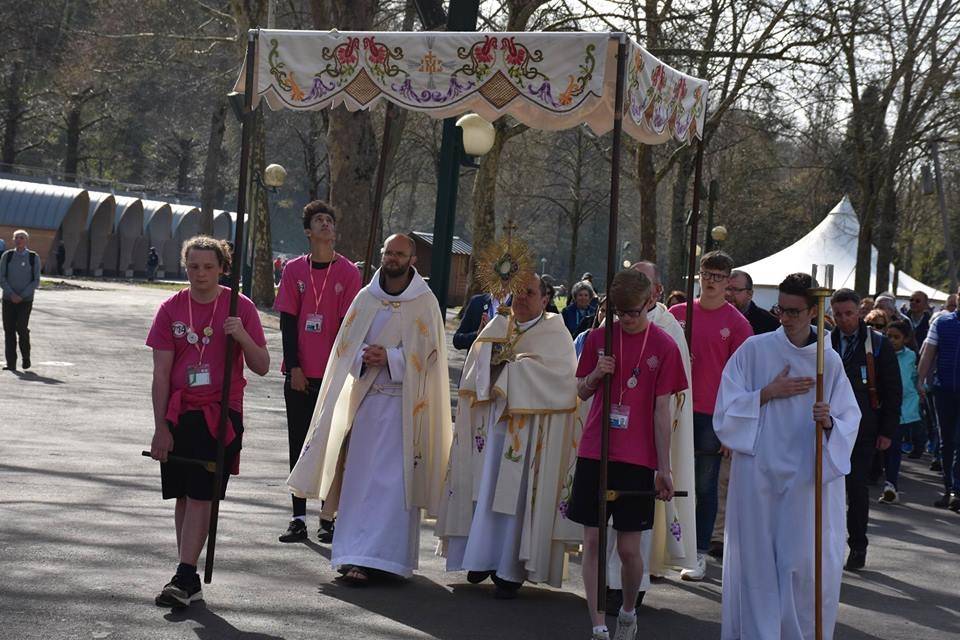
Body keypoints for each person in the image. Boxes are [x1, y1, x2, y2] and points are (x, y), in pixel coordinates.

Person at [287, 234, 452, 585]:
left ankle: (385, 560)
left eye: (400, 253)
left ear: (412, 260)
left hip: (403, 410)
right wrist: (364, 356)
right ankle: (352, 555)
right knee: (359, 481)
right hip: (366, 401)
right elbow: (344, 349)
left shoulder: (425, 302)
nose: (393, 258)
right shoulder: (366, 298)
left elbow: (432, 361)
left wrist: (391, 358)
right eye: (388, 252)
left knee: (392, 486)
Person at [714, 272, 860, 640]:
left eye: (795, 311)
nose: (786, 318)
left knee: (802, 564)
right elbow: (725, 411)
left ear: (814, 311)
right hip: (758, 473)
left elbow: (849, 421)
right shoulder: (755, 350)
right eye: (782, 309)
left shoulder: (829, 362)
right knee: (758, 563)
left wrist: (828, 424)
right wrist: (766, 393)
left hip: (806, 477)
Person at [438, 272, 580, 599]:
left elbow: (560, 380)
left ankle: (508, 568)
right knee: (482, 489)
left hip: (528, 434)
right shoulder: (498, 325)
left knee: (514, 500)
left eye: (530, 293)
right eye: (517, 292)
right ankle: (477, 557)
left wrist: (514, 369)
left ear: (546, 299)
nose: (522, 298)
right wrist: (491, 357)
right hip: (490, 427)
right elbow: (474, 370)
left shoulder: (555, 333)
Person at [147, 235, 269, 608]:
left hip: (220, 413)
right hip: (179, 411)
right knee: (184, 496)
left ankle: (184, 575)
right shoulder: (170, 308)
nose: (200, 274)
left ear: (222, 268)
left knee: (202, 494)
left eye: (208, 267)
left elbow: (262, 365)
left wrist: (242, 336)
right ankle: (189, 574)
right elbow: (161, 374)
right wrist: (161, 427)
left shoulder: (239, 306)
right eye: (193, 266)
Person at [569, 269, 686, 640]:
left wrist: (663, 468)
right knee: (592, 540)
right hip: (596, 450)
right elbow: (581, 391)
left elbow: (661, 410)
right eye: (621, 312)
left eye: (634, 311)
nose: (628, 319)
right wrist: (595, 376)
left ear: (650, 302)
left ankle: (629, 610)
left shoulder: (665, 345)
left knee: (629, 548)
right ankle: (598, 623)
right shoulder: (600, 338)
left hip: (637, 458)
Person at [602, 261, 697, 613]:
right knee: (607, 515)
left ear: (655, 291)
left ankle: (630, 587)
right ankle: (606, 581)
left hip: (645, 436)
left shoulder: (668, 328)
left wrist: (664, 455)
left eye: (644, 282)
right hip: (612, 433)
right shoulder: (612, 324)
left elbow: (672, 394)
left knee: (634, 521)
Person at [273, 201, 361, 543]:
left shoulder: (349, 273)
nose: (326, 225)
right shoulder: (294, 270)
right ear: (308, 231)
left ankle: (328, 517)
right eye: (318, 221)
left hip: (334, 377)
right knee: (300, 445)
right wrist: (293, 366)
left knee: (332, 446)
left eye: (329, 220)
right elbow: (288, 323)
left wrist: (338, 374)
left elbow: (347, 328)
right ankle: (297, 517)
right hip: (298, 375)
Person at [668, 250, 753, 581]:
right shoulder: (677, 314)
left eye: (719, 276)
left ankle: (699, 550)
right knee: (667, 478)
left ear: (728, 281)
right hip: (674, 406)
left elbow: (744, 380)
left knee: (704, 485)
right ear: (699, 275)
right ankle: (665, 548)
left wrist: (731, 428)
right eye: (707, 274)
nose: (712, 281)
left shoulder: (737, 324)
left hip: (712, 414)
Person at [830, 288, 901, 570]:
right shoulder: (826, 342)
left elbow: (893, 390)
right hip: (829, 427)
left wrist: (887, 431)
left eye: (849, 313)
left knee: (857, 488)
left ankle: (858, 546)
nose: (844, 320)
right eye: (838, 314)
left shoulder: (878, 344)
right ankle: (827, 545)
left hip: (863, 427)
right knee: (827, 488)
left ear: (860, 311)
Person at [917, 303, 960, 511]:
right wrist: (920, 380)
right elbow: (928, 353)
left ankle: (956, 490)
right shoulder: (942, 322)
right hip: (943, 390)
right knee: (946, 441)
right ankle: (949, 488)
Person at [880, 320, 923, 503]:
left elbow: (916, 377)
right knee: (883, 447)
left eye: (896, 337)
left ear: (905, 339)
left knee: (894, 447)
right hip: (884, 406)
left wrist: (921, 388)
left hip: (904, 409)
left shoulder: (911, 356)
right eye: (888, 336)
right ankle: (879, 476)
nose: (892, 340)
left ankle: (891, 484)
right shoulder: (879, 353)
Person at [1, 230, 41, 371]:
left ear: (26, 240)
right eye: (16, 238)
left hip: (25, 300)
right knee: (9, 329)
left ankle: (26, 357)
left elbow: (36, 280)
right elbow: (2, 277)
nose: (19, 240)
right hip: (8, 299)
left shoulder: (33, 257)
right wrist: (11, 294)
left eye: (22, 238)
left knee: (21, 328)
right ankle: (11, 363)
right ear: (13, 240)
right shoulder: (8, 256)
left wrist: (22, 295)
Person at [725, 270, 780, 335]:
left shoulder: (770, 323)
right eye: (726, 289)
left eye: (735, 289)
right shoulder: (714, 317)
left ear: (750, 294)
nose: (728, 293)